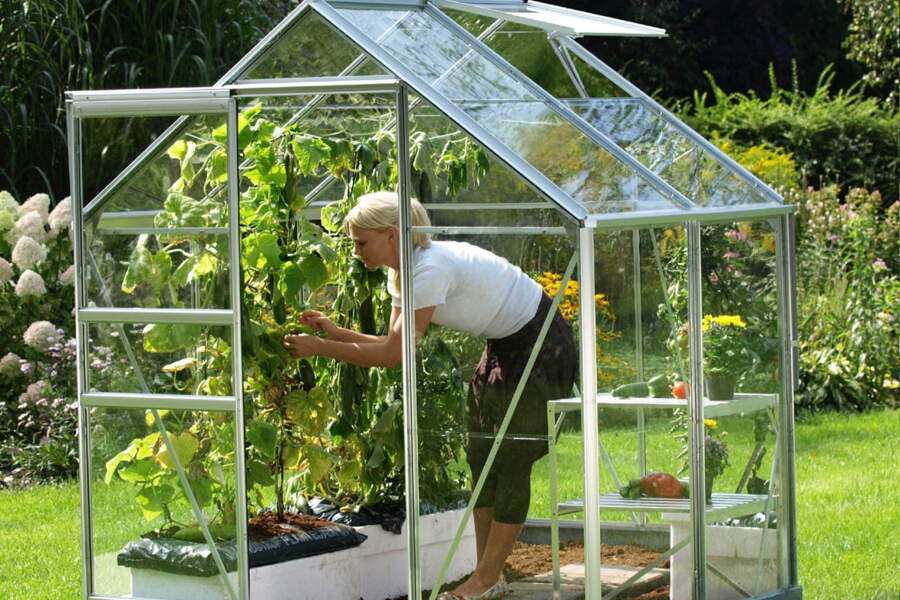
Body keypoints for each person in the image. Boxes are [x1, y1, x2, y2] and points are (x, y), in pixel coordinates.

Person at [283, 190, 576, 599]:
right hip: (503, 345)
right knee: (480, 457)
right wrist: (336, 333)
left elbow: (393, 356)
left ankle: (485, 580)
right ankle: (488, 577)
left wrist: (319, 348)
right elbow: (391, 341)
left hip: (541, 343)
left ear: (390, 234)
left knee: (510, 459)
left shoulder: (430, 268)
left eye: (360, 243)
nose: (356, 252)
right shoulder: (401, 269)